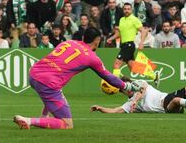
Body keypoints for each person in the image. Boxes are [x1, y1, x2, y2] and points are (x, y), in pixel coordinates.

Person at [13, 27, 142, 130]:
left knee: (55, 93)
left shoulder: (69, 42)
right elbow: (108, 77)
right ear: (97, 40)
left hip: (34, 73)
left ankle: (43, 117)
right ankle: (28, 120)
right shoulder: (92, 57)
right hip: (48, 82)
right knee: (67, 124)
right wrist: (128, 86)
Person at [107, 3, 159, 84]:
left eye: (128, 9)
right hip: (124, 45)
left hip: (129, 45)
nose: (126, 10)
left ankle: (115, 85)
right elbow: (119, 33)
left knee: (116, 65)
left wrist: (141, 43)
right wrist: (111, 38)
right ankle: (154, 75)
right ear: (123, 10)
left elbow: (144, 31)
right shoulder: (121, 20)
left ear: (131, 10)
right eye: (125, 9)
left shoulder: (134, 19)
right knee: (133, 68)